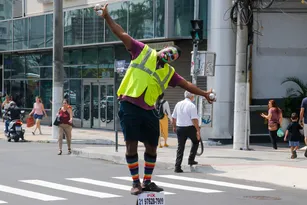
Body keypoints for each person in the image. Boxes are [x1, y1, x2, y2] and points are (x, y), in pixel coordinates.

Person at [94, 4, 215, 195]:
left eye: (173, 56)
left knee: (152, 145)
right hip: (129, 104)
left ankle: (147, 181)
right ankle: (135, 182)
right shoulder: (142, 51)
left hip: (149, 109)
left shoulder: (169, 72)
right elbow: (122, 34)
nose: (170, 55)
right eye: (169, 51)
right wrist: (107, 17)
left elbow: (186, 85)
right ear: (164, 49)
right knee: (131, 143)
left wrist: (205, 94)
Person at [172, 91, 200, 173]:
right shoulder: (192, 105)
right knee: (196, 141)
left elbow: (174, 117)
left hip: (180, 127)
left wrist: (174, 126)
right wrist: (198, 130)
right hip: (190, 128)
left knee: (180, 147)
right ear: (191, 96)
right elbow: (194, 119)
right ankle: (191, 159)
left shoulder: (178, 104)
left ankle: (177, 166)